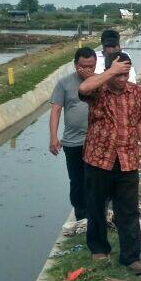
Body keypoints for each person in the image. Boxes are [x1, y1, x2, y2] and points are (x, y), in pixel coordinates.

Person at [78, 52, 141, 273]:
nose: (122, 80)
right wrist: (110, 71)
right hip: (99, 159)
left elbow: (140, 120)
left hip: (127, 159)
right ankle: (99, 248)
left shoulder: (135, 92)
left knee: (128, 210)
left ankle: (131, 257)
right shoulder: (98, 89)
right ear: (110, 72)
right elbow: (83, 89)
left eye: (125, 75)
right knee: (97, 206)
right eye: (118, 75)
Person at [49, 47, 97, 221]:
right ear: (75, 64)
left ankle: (98, 214)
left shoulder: (102, 82)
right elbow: (56, 110)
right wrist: (53, 137)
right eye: (83, 66)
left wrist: (93, 80)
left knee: (97, 180)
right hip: (73, 142)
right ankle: (81, 216)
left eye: (91, 66)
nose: (87, 70)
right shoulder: (64, 83)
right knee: (77, 180)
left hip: (98, 141)